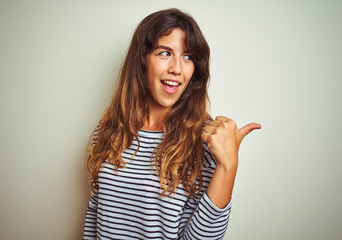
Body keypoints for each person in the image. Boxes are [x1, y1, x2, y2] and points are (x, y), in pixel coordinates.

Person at [83, 8, 261, 240]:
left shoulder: (205, 141)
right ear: (142, 60)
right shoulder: (109, 131)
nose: (177, 69)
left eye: (188, 57)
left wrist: (228, 166)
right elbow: (94, 218)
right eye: (165, 53)